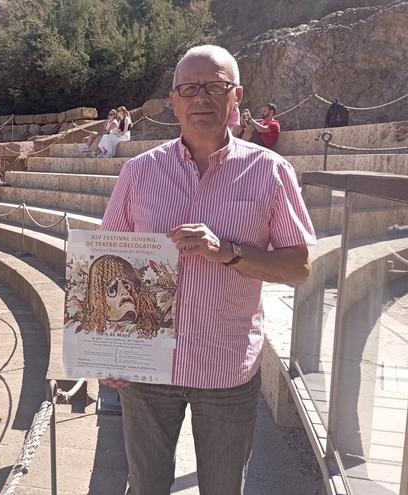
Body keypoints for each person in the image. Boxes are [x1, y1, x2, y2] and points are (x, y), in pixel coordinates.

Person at [99, 45, 315, 495]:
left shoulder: (271, 171)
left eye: (214, 87)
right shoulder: (139, 172)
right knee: (146, 486)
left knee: (222, 488)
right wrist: (104, 351)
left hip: (226, 368)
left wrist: (230, 252)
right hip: (148, 367)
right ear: (174, 100)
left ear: (236, 96)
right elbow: (105, 261)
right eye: (189, 88)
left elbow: (299, 267)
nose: (202, 98)